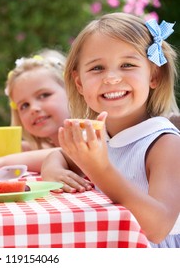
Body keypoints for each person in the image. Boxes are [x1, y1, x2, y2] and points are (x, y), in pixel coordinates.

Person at [41, 12, 180, 247]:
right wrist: (52, 170)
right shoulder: (101, 134)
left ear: (153, 75)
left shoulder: (165, 143)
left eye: (127, 65)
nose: (112, 78)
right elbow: (59, 155)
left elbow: (157, 227)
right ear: (79, 83)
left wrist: (100, 168)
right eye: (97, 68)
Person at [0, 51, 75, 178]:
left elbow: (69, 153)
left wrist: (0, 162)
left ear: (71, 91)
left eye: (44, 95)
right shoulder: (45, 145)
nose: (33, 109)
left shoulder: (90, 133)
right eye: (24, 105)